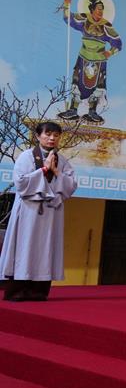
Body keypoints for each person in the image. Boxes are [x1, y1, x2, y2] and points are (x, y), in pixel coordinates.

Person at [1, 122, 78, 302]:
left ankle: (38, 291)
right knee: (24, 247)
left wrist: (56, 171)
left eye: (56, 135)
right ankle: (18, 290)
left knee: (45, 249)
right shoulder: (26, 156)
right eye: (48, 134)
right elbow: (21, 182)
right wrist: (44, 169)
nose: (52, 138)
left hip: (51, 213)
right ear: (37, 136)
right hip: (29, 211)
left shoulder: (62, 161)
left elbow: (71, 185)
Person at [58, 0, 122, 124]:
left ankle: (92, 111)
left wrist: (110, 52)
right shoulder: (84, 20)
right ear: (92, 10)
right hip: (83, 57)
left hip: (99, 61)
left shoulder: (106, 26)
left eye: (102, 10)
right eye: (98, 9)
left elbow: (118, 44)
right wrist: (67, 4)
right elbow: (68, 19)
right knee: (77, 83)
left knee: (98, 86)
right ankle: (73, 110)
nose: (100, 12)